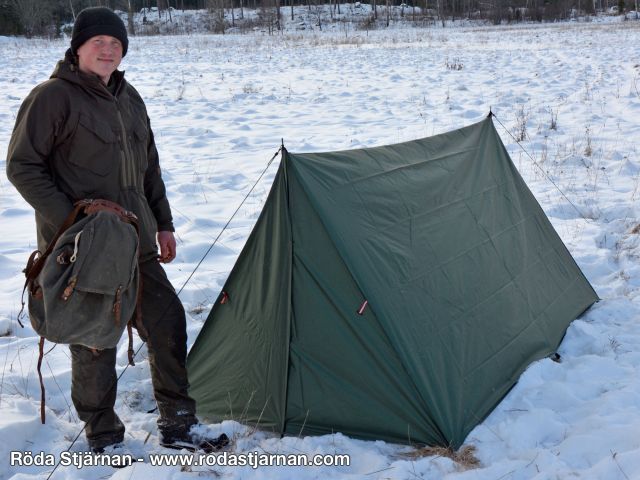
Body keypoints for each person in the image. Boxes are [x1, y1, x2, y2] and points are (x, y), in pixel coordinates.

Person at [6, 7, 227, 453]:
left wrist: (162, 224)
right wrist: (75, 221)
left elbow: (149, 168)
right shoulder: (52, 97)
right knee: (94, 340)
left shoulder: (129, 97)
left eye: (116, 44)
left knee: (167, 323)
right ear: (78, 47)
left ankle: (179, 425)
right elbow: (22, 167)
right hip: (83, 248)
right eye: (98, 43)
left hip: (137, 239)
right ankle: (104, 436)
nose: (107, 50)